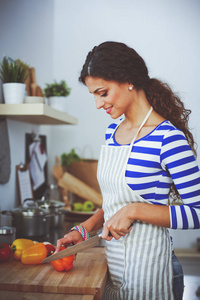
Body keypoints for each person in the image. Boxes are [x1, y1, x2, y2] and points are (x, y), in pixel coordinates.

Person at [56, 41, 200, 300]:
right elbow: (115, 201)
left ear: (129, 81)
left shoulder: (168, 138)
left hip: (153, 271)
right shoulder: (113, 132)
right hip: (113, 268)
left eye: (103, 92)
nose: (98, 104)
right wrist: (84, 229)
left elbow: (198, 213)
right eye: (94, 96)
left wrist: (136, 210)